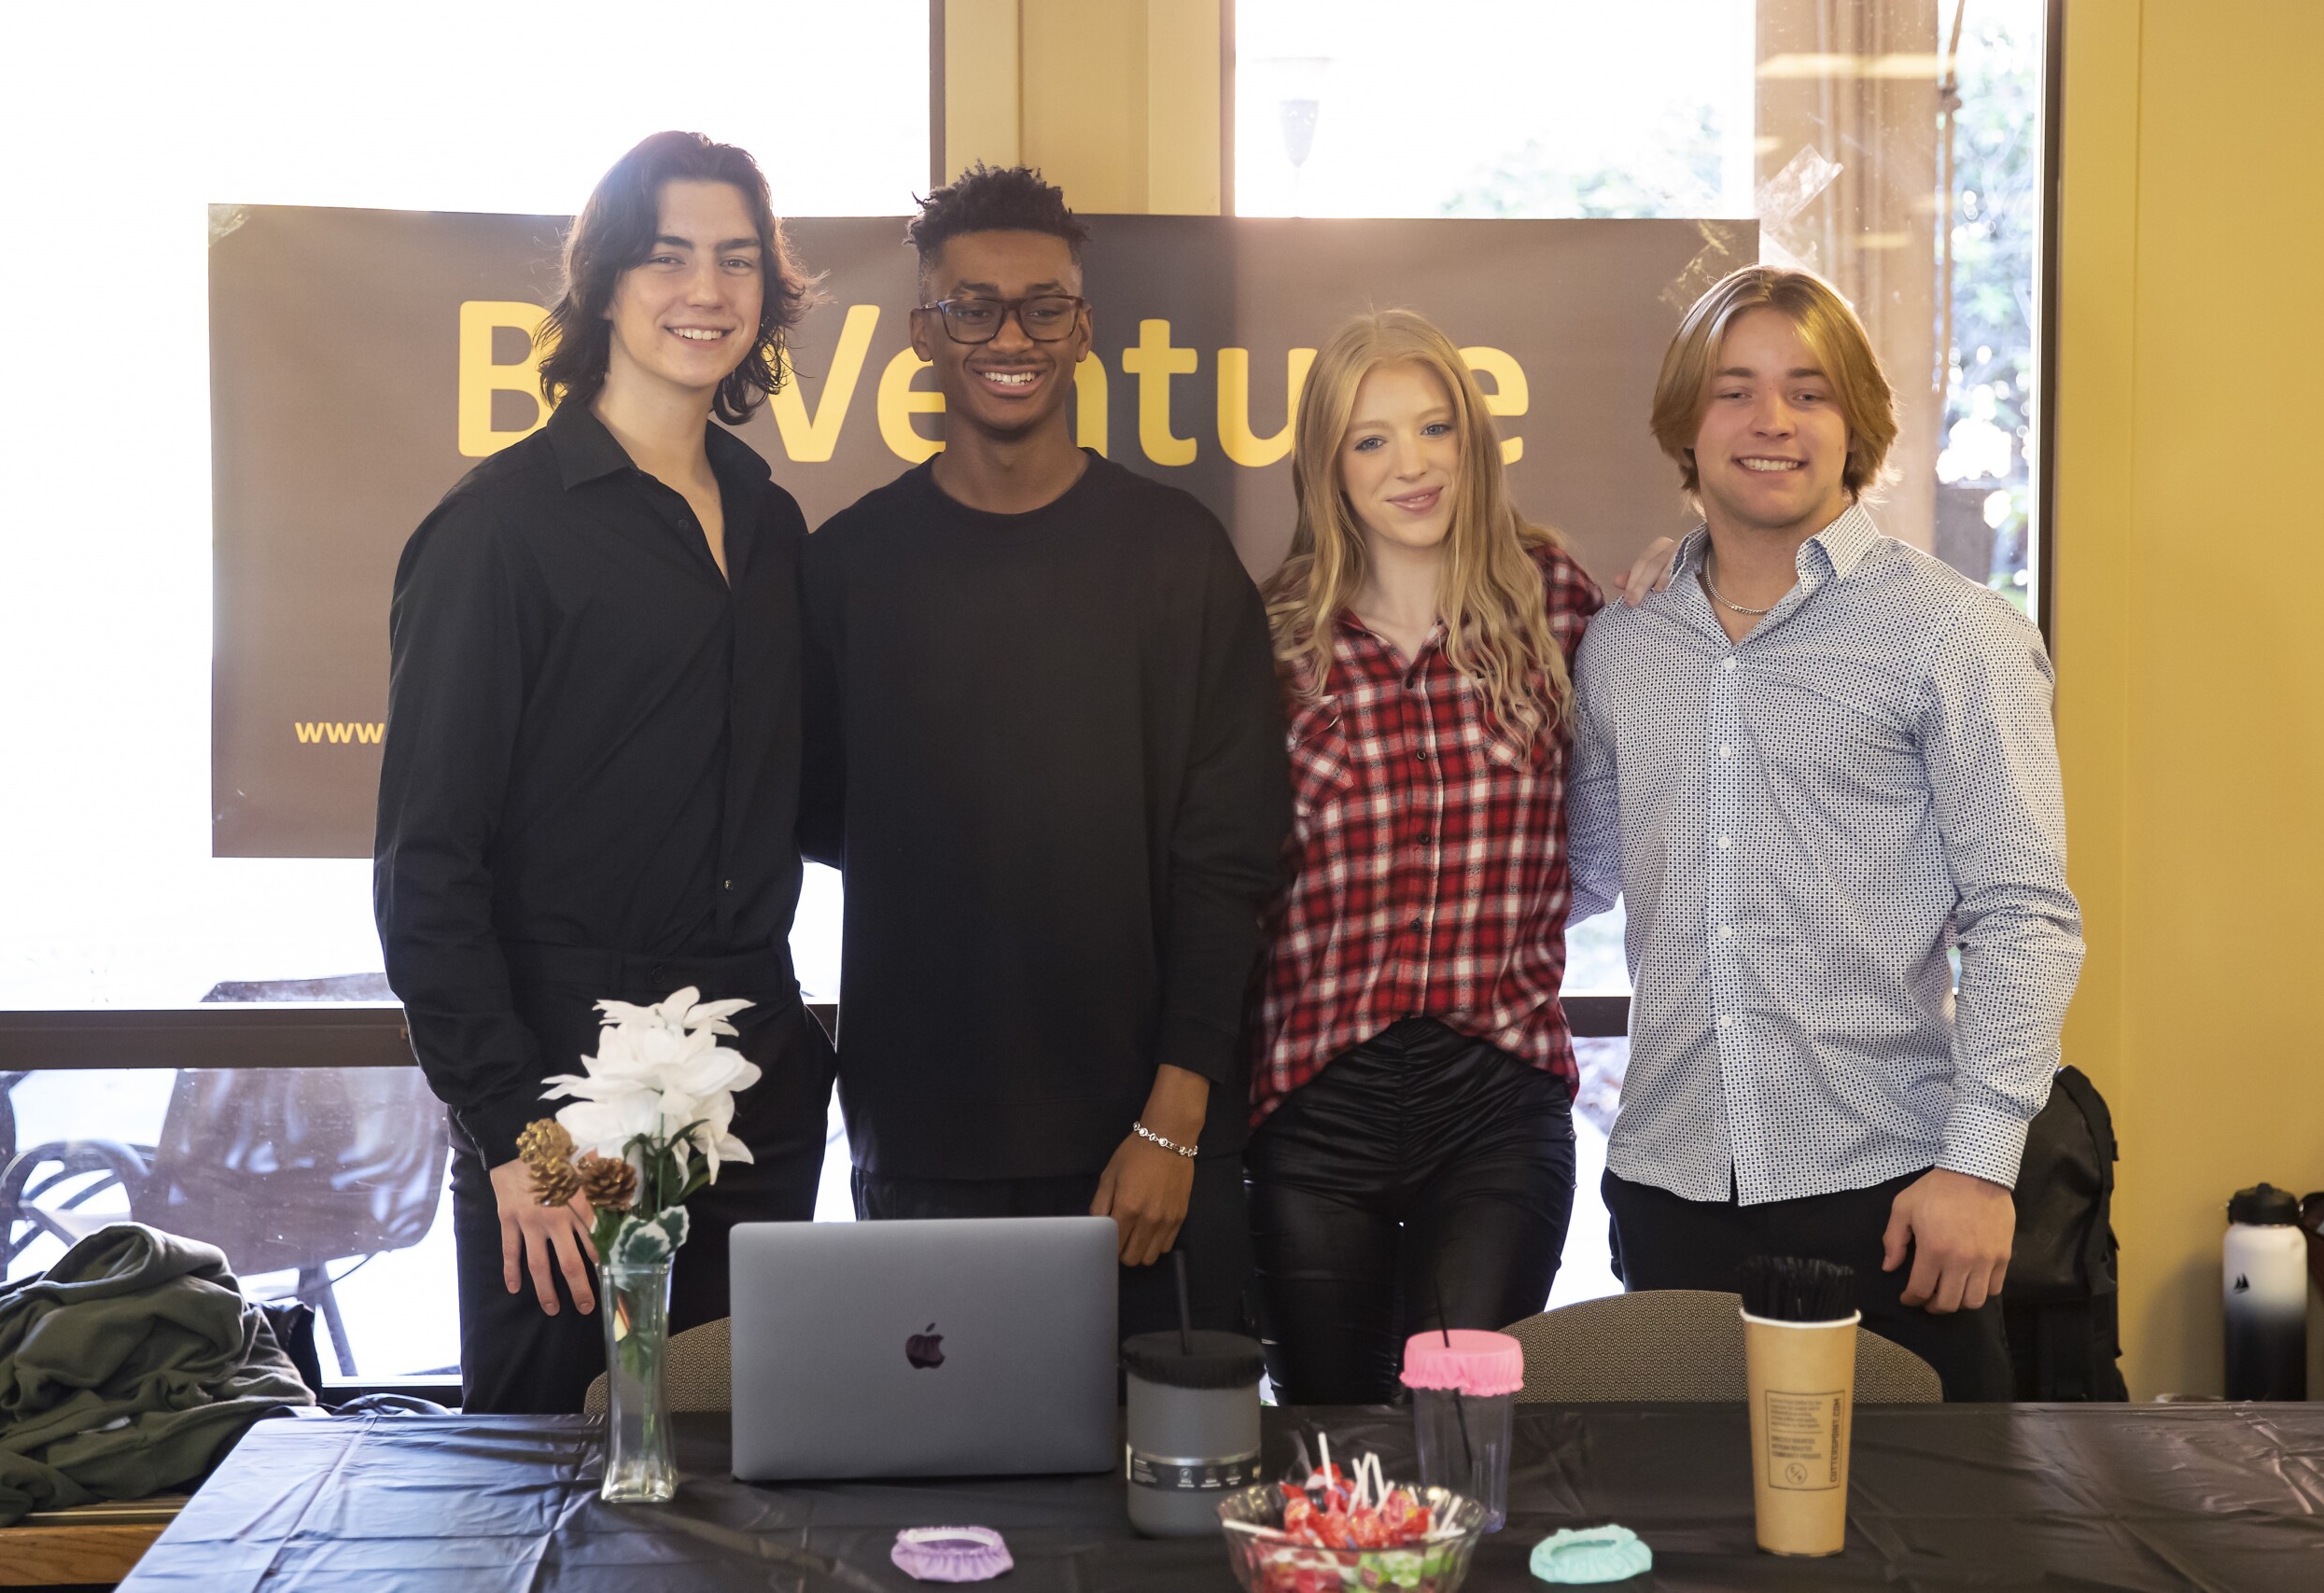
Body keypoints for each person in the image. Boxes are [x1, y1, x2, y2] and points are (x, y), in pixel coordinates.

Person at [375, 132, 835, 1415]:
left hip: (754, 1086)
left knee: (747, 1487)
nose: (707, 288)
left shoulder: (769, 520)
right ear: (605, 282)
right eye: (668, 254)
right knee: (558, 1499)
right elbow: (426, 874)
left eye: (738, 260)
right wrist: (521, 1145)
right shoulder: (497, 531)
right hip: (563, 1108)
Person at [1566, 265, 2084, 1400]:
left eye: (1807, 392)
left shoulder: (1953, 637)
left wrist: (1978, 1164)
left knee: (1929, 1549)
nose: (1770, 423)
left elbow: (2025, 918)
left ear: (1855, 425)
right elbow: (1578, 875)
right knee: (1689, 1548)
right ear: (1685, 427)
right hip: (1667, 1192)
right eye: (1733, 391)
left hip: (1896, 1195)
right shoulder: (1624, 645)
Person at [797, 165, 1290, 1342]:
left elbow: (1232, 859)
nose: (1007, 335)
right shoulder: (848, 568)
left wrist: (1175, 1118)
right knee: (943, 1512)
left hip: (1147, 1149)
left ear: (1083, 330)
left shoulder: (1177, 557)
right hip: (918, 1145)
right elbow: (813, 815)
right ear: (925, 332)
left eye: (1042, 306)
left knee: (1164, 1514)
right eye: (971, 306)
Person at [1245, 310, 1603, 1404]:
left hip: (1493, 1096)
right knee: (1327, 1438)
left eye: (1434, 429)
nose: (1410, 465)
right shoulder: (1272, 641)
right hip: (1318, 1099)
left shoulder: (1556, 603)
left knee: (1457, 1436)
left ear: (1471, 442)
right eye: (1370, 440)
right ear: (1326, 466)